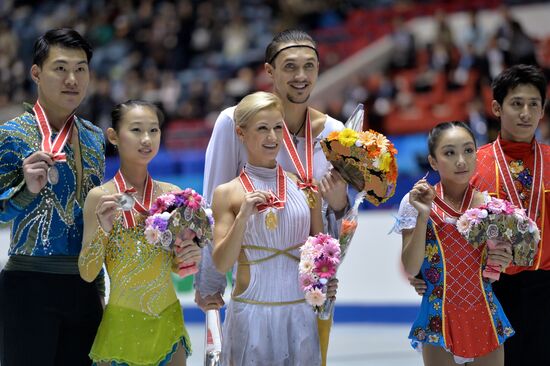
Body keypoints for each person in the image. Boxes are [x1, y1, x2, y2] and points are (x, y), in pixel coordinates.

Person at [196, 27, 347, 313]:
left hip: (309, 287)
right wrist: (210, 285)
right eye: (290, 67)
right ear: (269, 70)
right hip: (253, 283)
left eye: (309, 67)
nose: (300, 77)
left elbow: (336, 217)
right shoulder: (233, 120)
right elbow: (212, 209)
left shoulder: (335, 133)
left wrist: (340, 208)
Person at [409, 65, 550, 366]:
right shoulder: (473, 164)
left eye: (533, 104)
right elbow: (440, 219)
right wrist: (425, 273)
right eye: (516, 104)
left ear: (542, 110)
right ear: (497, 107)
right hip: (492, 292)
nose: (525, 113)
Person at [0, 28, 105, 366]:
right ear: (36, 73)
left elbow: (93, 224)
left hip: (84, 286)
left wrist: (98, 288)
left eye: (81, 68)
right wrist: (25, 191)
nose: (72, 78)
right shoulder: (11, 135)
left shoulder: (94, 138)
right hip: (28, 286)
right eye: (60, 68)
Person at [211, 91, 336, 365]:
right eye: (262, 129)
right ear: (241, 134)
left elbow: (319, 252)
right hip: (250, 315)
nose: (272, 137)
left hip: (299, 314)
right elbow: (221, 263)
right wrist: (243, 216)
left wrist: (326, 278)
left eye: (278, 127)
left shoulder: (306, 188)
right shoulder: (227, 193)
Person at [78, 100, 202, 365]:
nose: (146, 139)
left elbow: (177, 267)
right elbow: (88, 273)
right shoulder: (100, 197)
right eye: (136, 130)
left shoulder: (171, 194)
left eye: (153, 130)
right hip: (121, 329)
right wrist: (103, 230)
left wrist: (191, 255)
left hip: (167, 324)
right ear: (113, 136)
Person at [395, 121, 514, 365]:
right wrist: (423, 216)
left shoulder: (492, 204)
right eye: (449, 152)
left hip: (485, 315)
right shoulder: (415, 201)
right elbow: (411, 265)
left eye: (468, 150)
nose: (461, 160)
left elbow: (498, 266)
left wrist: (504, 259)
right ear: (433, 161)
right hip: (438, 318)